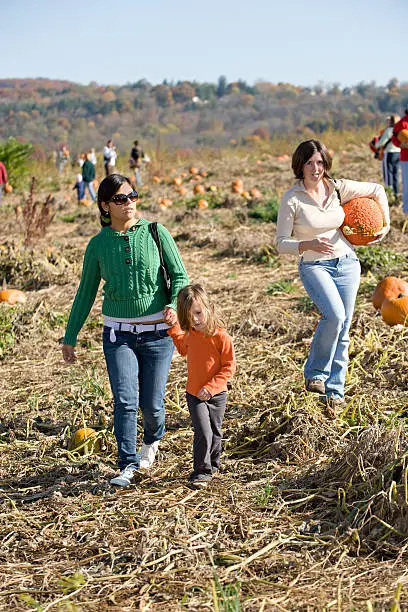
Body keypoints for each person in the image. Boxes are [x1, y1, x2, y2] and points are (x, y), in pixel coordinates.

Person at [62, 174, 188, 487]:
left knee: (153, 405)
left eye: (132, 196)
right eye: (120, 199)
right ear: (105, 205)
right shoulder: (98, 245)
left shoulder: (157, 233)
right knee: (125, 400)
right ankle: (127, 465)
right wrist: (70, 336)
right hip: (118, 336)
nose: (129, 202)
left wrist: (173, 303)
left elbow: (181, 276)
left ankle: (153, 439)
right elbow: (85, 293)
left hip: (158, 335)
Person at [276, 140, 390, 412]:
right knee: (335, 317)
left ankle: (335, 393)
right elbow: (280, 243)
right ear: (300, 166)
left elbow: (377, 189)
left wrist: (383, 225)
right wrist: (307, 245)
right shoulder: (292, 198)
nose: (316, 168)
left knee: (344, 329)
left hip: (347, 263)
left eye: (320, 162)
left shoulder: (338, 187)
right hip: (315, 266)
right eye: (309, 163)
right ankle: (315, 373)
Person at [168, 284, 236, 488]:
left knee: (215, 431)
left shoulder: (221, 337)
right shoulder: (191, 334)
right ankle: (201, 471)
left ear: (208, 307)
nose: (195, 320)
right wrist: (173, 328)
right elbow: (182, 348)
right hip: (195, 394)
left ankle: (213, 465)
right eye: (189, 317)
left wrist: (212, 386)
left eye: (198, 313)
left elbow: (229, 367)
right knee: (203, 432)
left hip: (217, 394)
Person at [374, 115, 400, 198]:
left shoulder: (389, 130)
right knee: (396, 175)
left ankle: (389, 194)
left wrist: (376, 144)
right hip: (398, 153)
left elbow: (381, 142)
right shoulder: (400, 130)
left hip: (389, 153)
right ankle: (396, 193)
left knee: (388, 174)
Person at [392, 106, 408, 214]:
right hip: (406, 158)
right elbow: (394, 138)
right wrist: (400, 144)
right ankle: (406, 210)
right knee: (407, 184)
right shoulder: (402, 123)